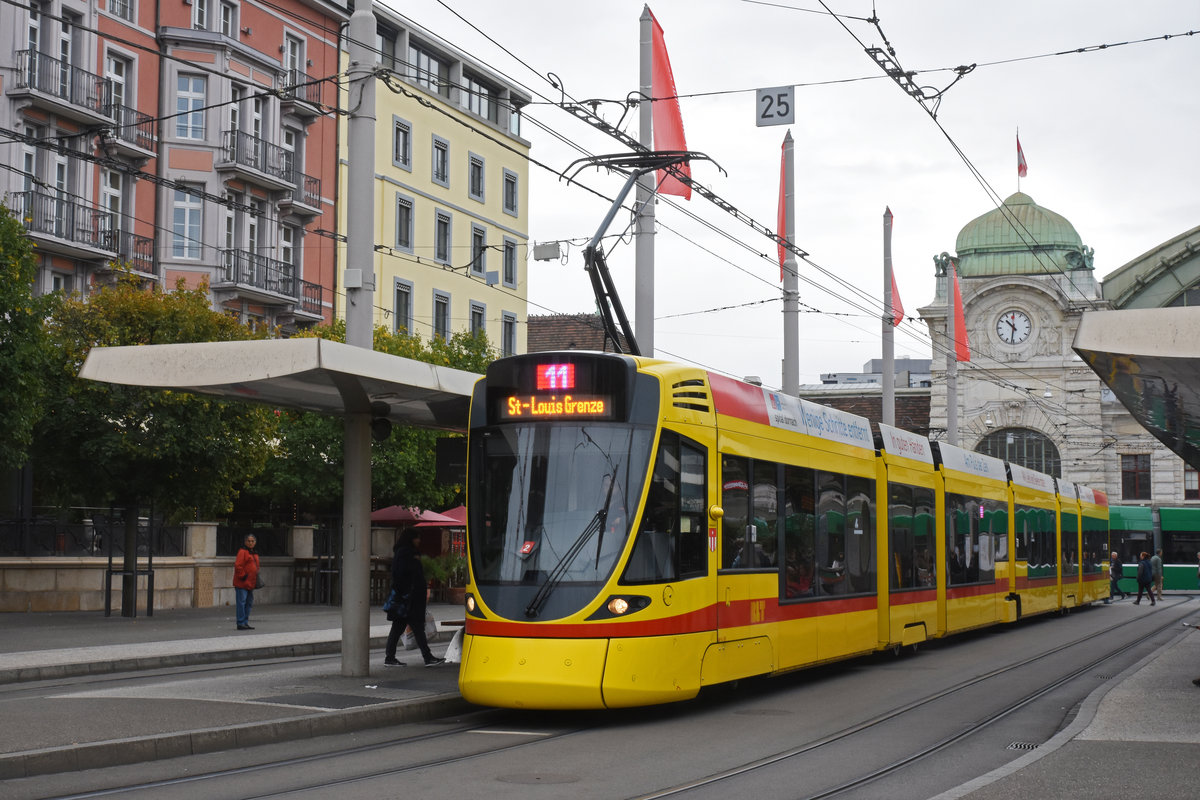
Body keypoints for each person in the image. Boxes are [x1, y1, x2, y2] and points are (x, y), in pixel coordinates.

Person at [384, 529, 445, 667]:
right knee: (416, 628)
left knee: (399, 628)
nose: (419, 541)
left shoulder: (402, 552)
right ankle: (427, 657)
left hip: (406, 599)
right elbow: (407, 575)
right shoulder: (408, 553)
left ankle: (390, 657)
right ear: (411, 539)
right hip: (409, 599)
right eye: (417, 538)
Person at [233, 534, 260, 630]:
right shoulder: (242, 552)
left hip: (250, 583)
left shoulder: (254, 553)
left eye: (252, 541)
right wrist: (243, 576)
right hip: (242, 582)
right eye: (249, 541)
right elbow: (238, 566)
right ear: (245, 542)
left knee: (248, 603)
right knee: (242, 602)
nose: (251, 543)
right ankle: (241, 622)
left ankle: (245, 621)